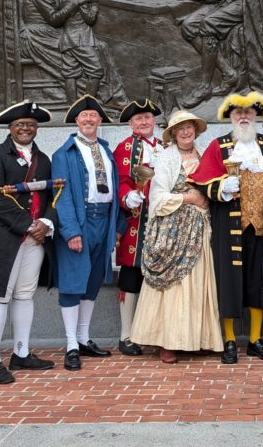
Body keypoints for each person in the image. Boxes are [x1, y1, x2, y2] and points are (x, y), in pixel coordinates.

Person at [189, 91, 263, 363]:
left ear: (256, 116)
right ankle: (229, 341)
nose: (243, 117)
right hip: (228, 224)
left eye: (248, 113)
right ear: (230, 117)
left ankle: (255, 340)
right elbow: (202, 183)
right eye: (238, 113)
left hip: (260, 227)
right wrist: (221, 187)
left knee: (257, 282)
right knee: (228, 282)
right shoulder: (217, 146)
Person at [131, 110, 223, 363]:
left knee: (197, 283)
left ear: (195, 129)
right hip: (173, 227)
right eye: (180, 128)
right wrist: (188, 197)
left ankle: (196, 338)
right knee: (173, 285)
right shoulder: (165, 158)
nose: (185, 132)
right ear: (172, 134)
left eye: (189, 127)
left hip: (201, 228)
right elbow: (157, 198)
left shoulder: (206, 155)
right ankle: (167, 341)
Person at [0, 101, 57, 384]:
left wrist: (46, 223)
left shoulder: (44, 159)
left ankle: (21, 352)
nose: (26, 129)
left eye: (31, 125)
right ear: (10, 128)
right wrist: (27, 224)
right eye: (20, 125)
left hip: (35, 238)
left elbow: (52, 196)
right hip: (5, 237)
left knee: (25, 294)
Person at [51, 95, 127, 372]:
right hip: (80, 221)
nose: (88, 119)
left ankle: (83, 338)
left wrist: (117, 228)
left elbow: (116, 190)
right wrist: (70, 230)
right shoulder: (64, 153)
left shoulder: (107, 151)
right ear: (77, 121)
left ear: (100, 121)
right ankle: (71, 343)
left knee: (94, 280)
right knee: (73, 281)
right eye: (84, 116)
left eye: (93, 115)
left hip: (103, 221)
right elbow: (61, 196)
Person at [114, 98, 164, 356]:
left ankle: (154, 331)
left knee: (159, 274)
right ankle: (126, 335)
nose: (144, 122)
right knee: (131, 273)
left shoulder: (166, 146)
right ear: (131, 124)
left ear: (154, 121)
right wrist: (127, 196)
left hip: (163, 218)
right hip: (136, 217)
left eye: (147, 118)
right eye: (138, 119)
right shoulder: (125, 147)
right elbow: (121, 180)